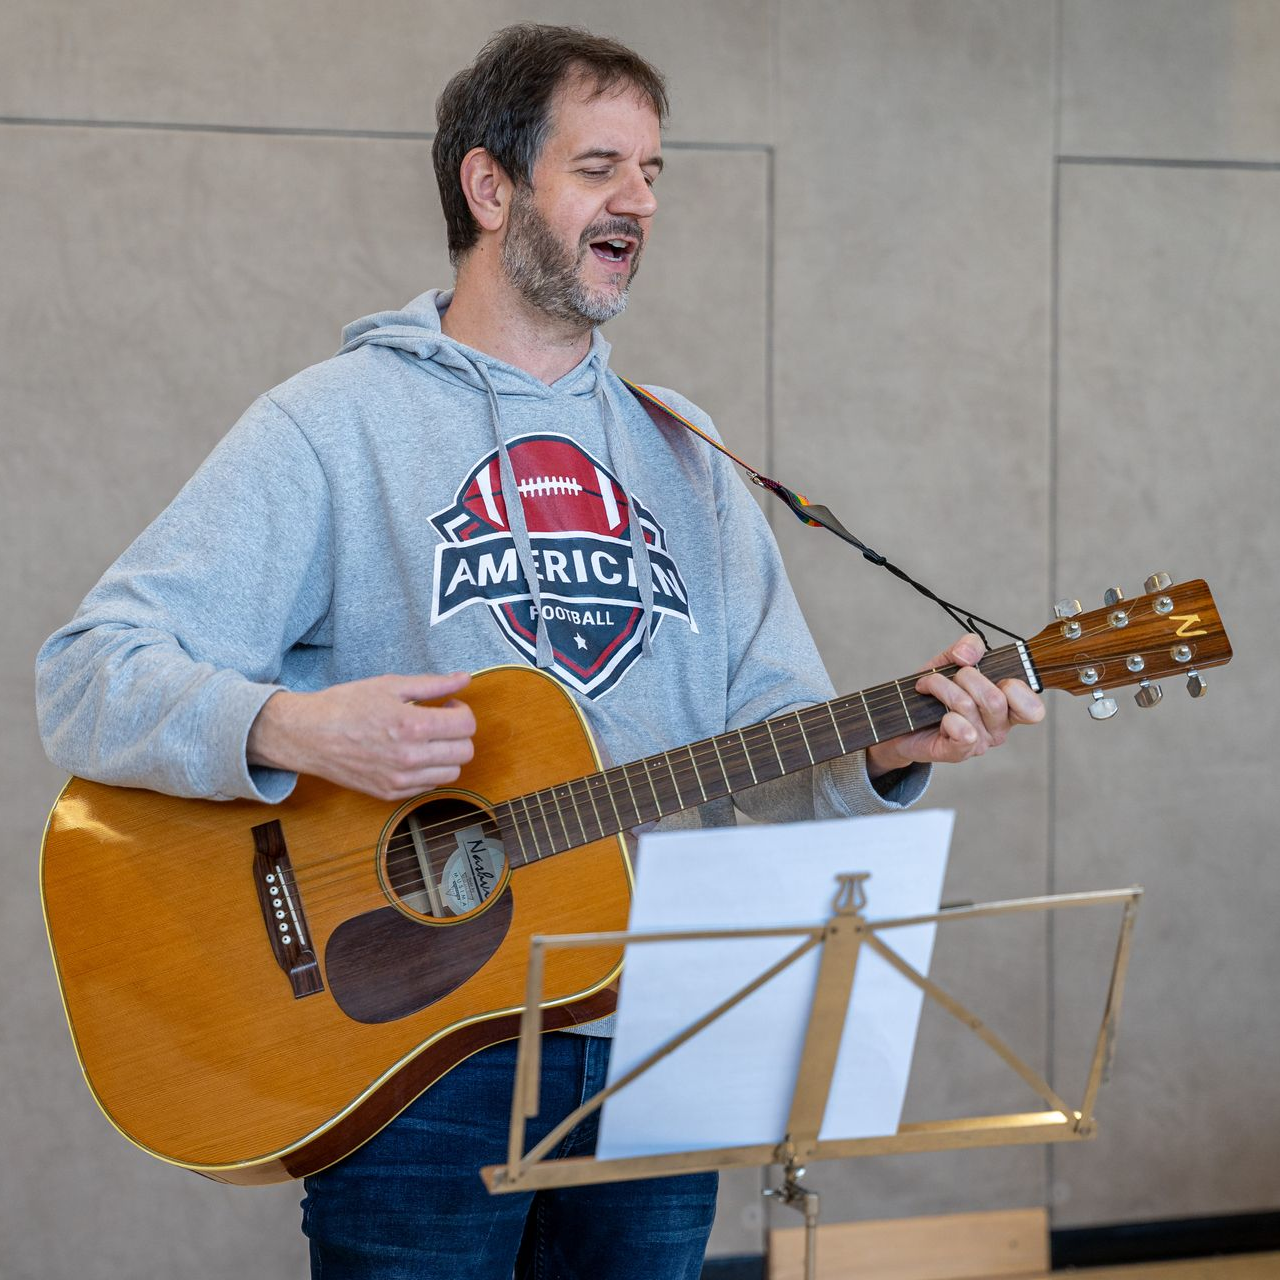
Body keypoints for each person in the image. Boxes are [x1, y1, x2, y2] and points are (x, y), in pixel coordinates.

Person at [36, 23, 1044, 1280]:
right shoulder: (331, 425)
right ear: (489, 185)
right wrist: (291, 725)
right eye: (600, 166)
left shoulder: (685, 451)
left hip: (658, 1030)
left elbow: (768, 738)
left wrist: (884, 752)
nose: (641, 201)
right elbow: (87, 670)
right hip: (417, 1051)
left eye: (653, 172)